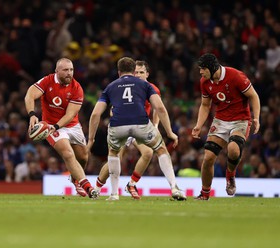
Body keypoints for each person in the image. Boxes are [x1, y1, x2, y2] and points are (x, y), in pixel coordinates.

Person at [87, 57, 180, 201]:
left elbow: (156, 111)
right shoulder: (145, 87)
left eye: (141, 72)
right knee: (123, 155)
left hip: (122, 125)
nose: (138, 75)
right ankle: (98, 187)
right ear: (132, 71)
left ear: (147, 74)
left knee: (145, 153)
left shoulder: (114, 86)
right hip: (140, 125)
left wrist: (155, 125)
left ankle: (128, 186)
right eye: (136, 72)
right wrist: (169, 132)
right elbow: (160, 107)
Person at [24, 57, 97, 198]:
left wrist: (57, 126)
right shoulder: (47, 81)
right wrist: (32, 114)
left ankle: (75, 179)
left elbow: (70, 115)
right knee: (68, 154)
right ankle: (88, 187)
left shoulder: (77, 88)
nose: (69, 73)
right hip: (50, 125)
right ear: (57, 71)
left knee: (83, 157)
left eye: (71, 70)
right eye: (65, 70)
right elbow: (29, 95)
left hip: (71, 125)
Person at [192, 53, 260, 200]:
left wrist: (256, 118)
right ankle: (204, 194)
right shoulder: (204, 82)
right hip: (220, 120)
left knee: (233, 150)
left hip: (241, 120)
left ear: (211, 67)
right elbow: (205, 105)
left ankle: (230, 175)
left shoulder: (236, 76)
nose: (200, 72)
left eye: (203, 69)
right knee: (208, 157)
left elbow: (253, 95)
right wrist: (198, 125)